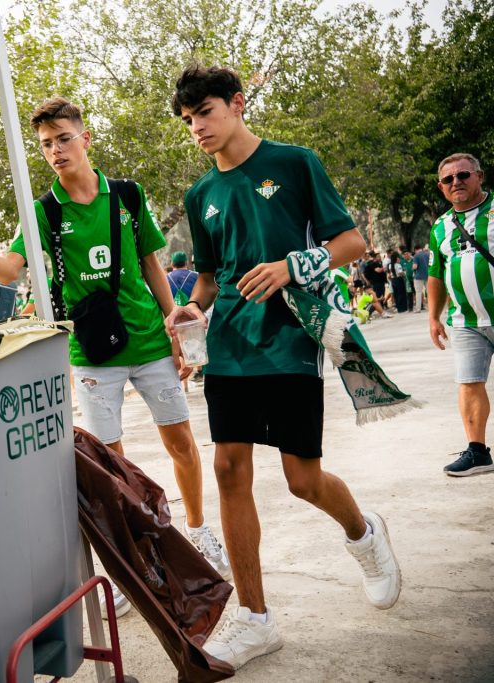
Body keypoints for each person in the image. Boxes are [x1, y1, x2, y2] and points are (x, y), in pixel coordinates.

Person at [167, 64, 400, 669]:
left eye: (206, 113)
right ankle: (254, 618)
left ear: (238, 104)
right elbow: (212, 279)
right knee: (227, 467)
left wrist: (292, 266)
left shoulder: (295, 163)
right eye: (189, 120)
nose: (198, 128)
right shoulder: (201, 196)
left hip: (292, 339)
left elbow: (350, 242)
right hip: (231, 348)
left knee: (303, 479)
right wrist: (191, 311)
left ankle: (364, 533)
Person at [0, 96, 230, 578]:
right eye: (46, 145)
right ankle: (131, 557)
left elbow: (150, 264)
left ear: (85, 138)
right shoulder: (40, 212)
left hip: (148, 340)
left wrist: (175, 324)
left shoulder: (126, 195)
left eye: (63, 139)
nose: (56, 150)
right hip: (91, 352)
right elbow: (10, 273)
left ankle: (200, 530)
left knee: (180, 441)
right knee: (110, 459)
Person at [426, 152, 494, 477]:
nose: (457, 182)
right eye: (448, 179)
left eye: (463, 175)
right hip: (466, 322)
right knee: (469, 383)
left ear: (479, 176)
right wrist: (433, 317)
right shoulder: (439, 227)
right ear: (441, 188)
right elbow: (436, 274)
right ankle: (477, 452)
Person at [387, 248, 408, 313]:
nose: (399, 259)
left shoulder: (390, 265)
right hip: (399, 280)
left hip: (393, 280)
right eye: (398, 258)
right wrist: (404, 272)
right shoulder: (398, 265)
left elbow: (389, 274)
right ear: (396, 259)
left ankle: (398, 308)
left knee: (396, 294)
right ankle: (403, 308)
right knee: (401, 294)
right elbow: (400, 273)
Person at [412, 245, 429, 312]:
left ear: (415, 250)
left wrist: (412, 267)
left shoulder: (416, 256)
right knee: (429, 292)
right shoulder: (427, 254)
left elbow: (415, 267)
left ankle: (418, 308)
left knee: (418, 292)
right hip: (428, 275)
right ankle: (431, 307)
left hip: (418, 276)